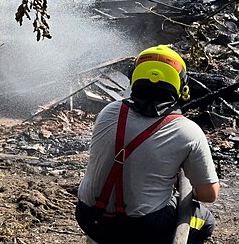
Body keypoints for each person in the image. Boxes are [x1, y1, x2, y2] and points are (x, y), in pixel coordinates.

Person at [76, 45, 219, 244]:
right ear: (181, 87)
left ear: (134, 79)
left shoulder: (109, 112)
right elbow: (209, 194)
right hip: (140, 229)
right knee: (205, 220)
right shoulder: (188, 131)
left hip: (89, 218)